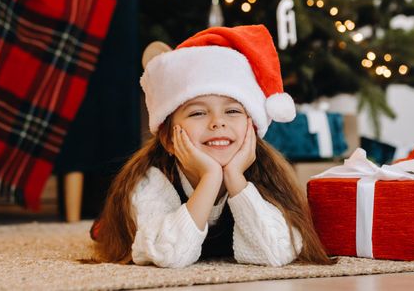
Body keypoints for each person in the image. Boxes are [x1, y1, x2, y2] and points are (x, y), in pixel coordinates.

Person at [93, 25, 333, 268]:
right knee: (111, 226)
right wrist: (210, 178)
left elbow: (275, 253)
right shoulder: (149, 181)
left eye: (232, 111)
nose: (218, 122)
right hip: (144, 213)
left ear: (253, 127)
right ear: (168, 139)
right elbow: (168, 256)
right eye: (197, 112)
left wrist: (236, 179)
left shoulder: (265, 175)